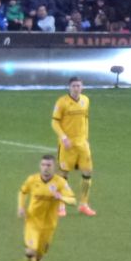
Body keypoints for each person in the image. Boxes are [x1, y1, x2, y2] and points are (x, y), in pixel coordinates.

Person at [17, 154, 76, 261]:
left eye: (49, 165)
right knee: (30, 251)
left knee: (38, 256)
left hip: (49, 226)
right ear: (40, 166)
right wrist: (20, 207)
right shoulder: (33, 180)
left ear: (54, 167)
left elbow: (73, 200)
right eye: (43, 165)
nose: (45, 168)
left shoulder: (60, 182)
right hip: (32, 222)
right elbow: (22, 191)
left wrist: (60, 197)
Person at [51, 76, 96, 217]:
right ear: (69, 87)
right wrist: (63, 137)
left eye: (78, 86)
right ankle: (61, 206)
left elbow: (85, 120)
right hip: (67, 144)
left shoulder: (85, 100)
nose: (76, 88)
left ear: (82, 87)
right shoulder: (62, 102)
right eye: (74, 86)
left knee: (87, 172)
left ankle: (84, 205)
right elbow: (55, 122)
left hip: (82, 144)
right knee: (63, 174)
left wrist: (86, 138)